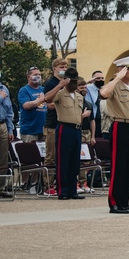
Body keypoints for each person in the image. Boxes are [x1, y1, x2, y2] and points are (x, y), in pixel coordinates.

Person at [100, 56, 129, 214]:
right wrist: (117, 77)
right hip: (120, 125)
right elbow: (103, 93)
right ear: (121, 69)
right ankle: (114, 202)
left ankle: (125, 202)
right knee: (119, 166)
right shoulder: (115, 85)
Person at [42, 67, 85, 200]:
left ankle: (73, 190)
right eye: (71, 80)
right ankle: (63, 190)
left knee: (74, 161)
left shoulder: (79, 96)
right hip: (64, 128)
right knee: (63, 160)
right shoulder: (60, 93)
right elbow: (47, 99)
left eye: (75, 81)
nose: (73, 83)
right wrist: (60, 85)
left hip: (77, 129)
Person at [17, 67, 46, 143]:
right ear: (28, 77)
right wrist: (39, 100)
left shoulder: (43, 89)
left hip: (44, 131)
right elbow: (26, 105)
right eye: (35, 74)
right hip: (29, 132)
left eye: (39, 74)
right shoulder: (24, 90)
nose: (38, 76)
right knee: (30, 154)